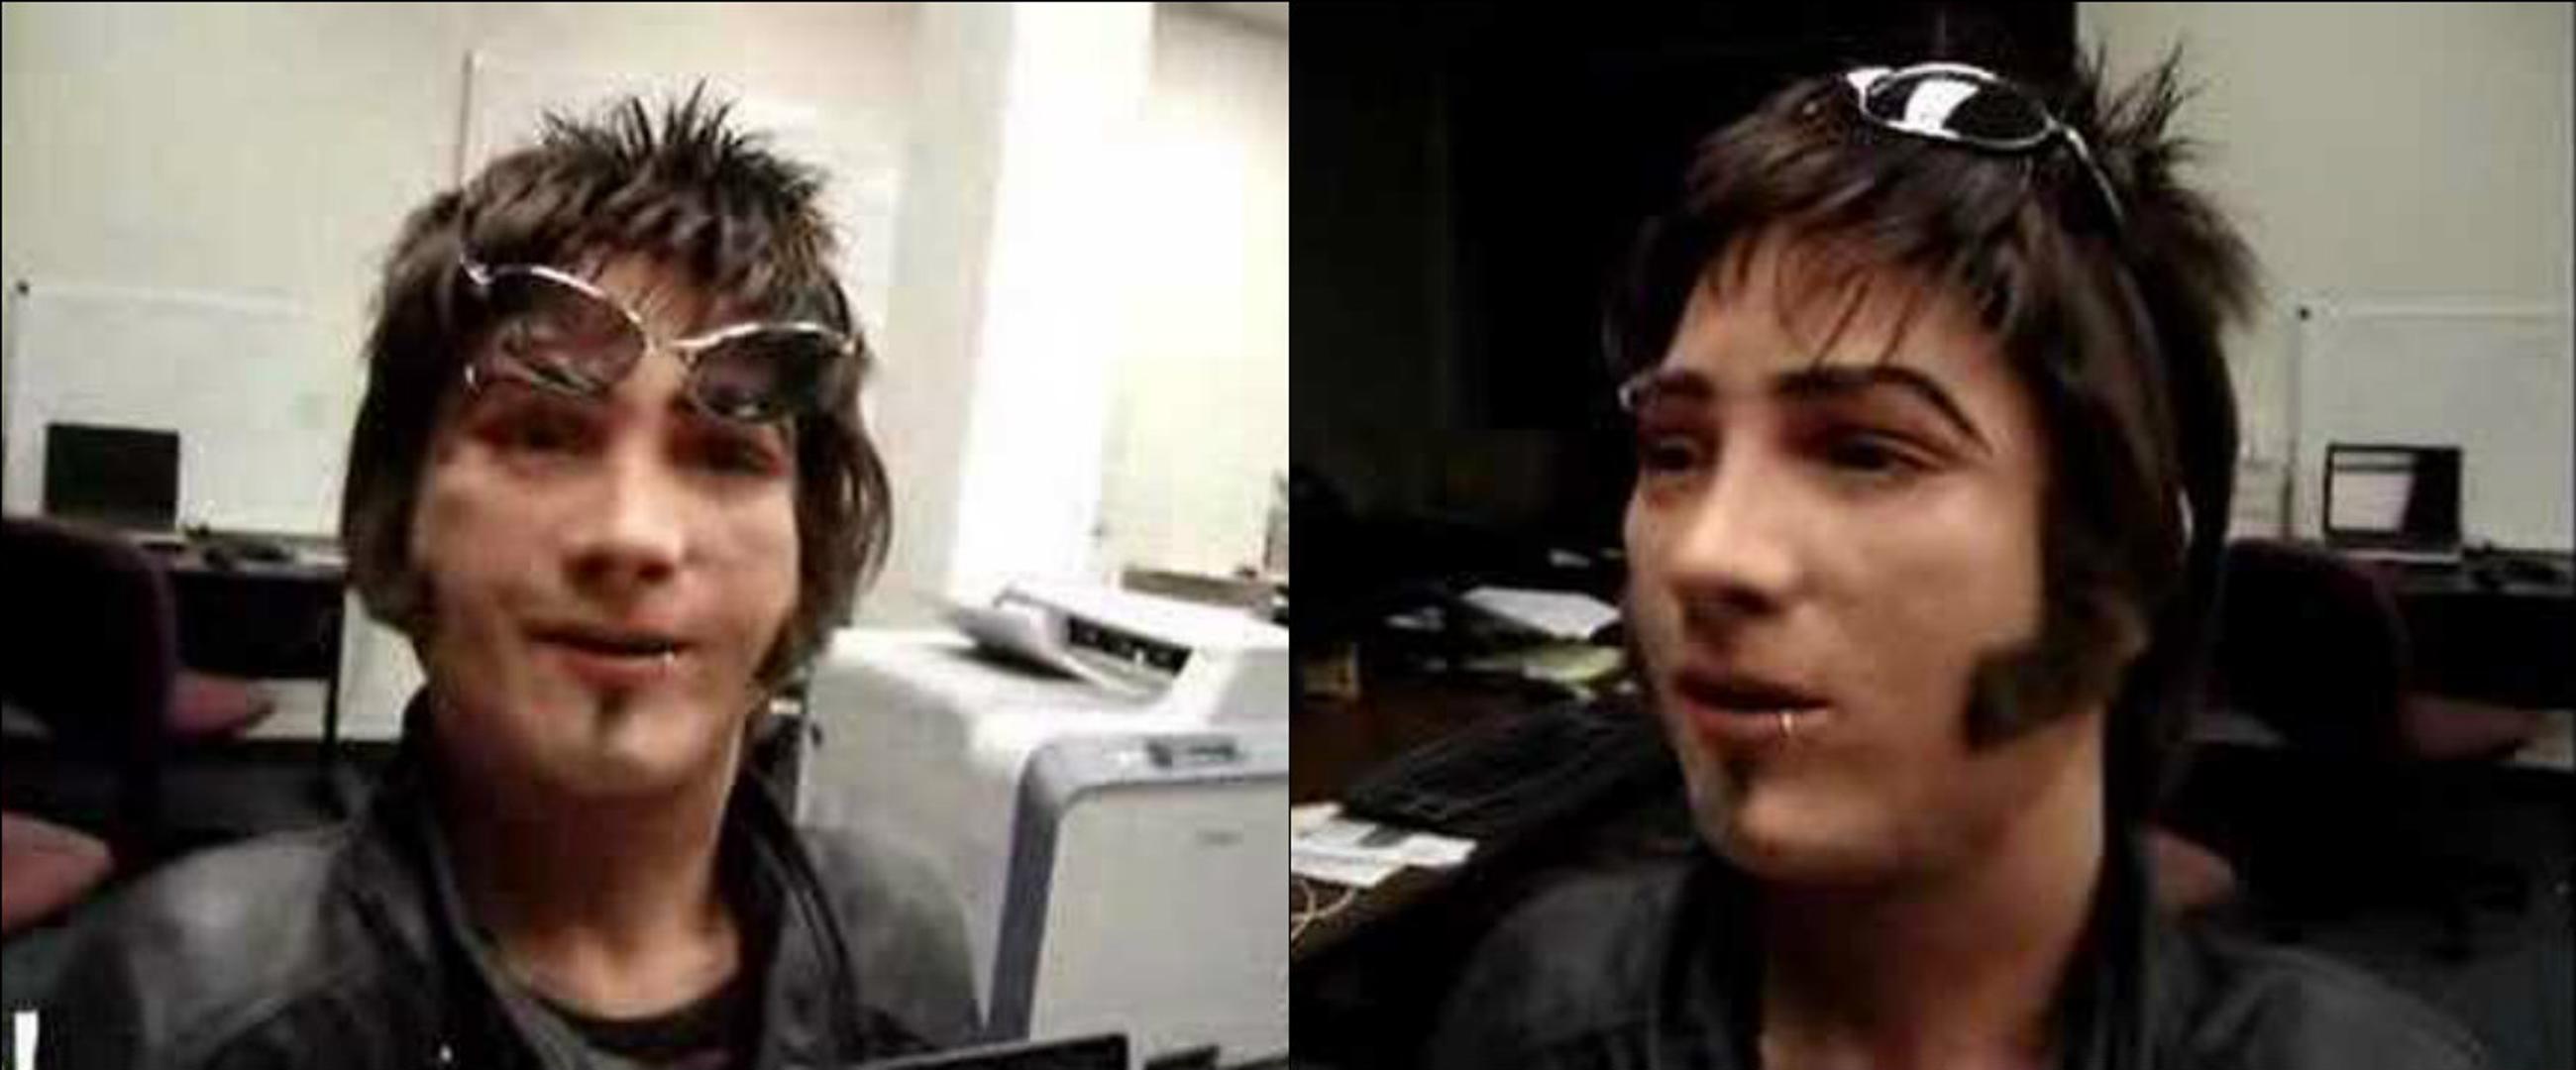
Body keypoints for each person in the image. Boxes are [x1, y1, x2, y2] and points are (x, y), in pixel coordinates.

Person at [1423, 55, 2486, 1070]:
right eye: (1673, 452)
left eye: (1864, 452)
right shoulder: (1542, 1013)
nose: (1707, 555)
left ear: (2127, 561)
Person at [43, 93, 978, 1070]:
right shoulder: (194, 1008)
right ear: (401, 508)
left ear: (807, 548)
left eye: (726, 455)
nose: (633, 535)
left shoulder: (895, 961)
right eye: (541, 435)